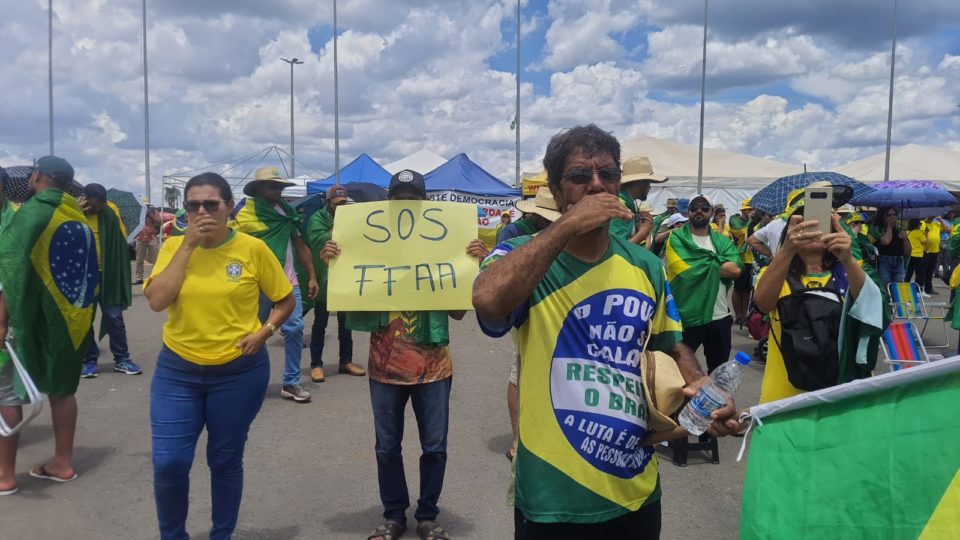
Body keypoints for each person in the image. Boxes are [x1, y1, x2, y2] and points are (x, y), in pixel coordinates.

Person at [472, 125, 739, 539]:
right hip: (553, 496)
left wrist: (701, 385)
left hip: (635, 489)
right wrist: (565, 227)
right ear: (556, 191)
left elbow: (670, 344)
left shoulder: (645, 265)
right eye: (580, 176)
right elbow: (487, 300)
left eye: (608, 175)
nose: (597, 185)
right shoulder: (525, 257)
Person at [320, 170, 489, 540]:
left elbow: (459, 311)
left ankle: (427, 516)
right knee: (386, 448)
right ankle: (394, 515)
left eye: (413, 200)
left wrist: (472, 265)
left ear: (425, 205)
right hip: (384, 369)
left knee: (435, 448)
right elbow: (345, 296)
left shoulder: (443, 248)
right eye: (399, 200)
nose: (406, 206)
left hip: (434, 369)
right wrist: (333, 260)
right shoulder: (372, 247)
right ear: (388, 204)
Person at [144, 172, 295, 539]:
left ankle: (221, 534)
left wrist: (264, 332)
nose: (202, 212)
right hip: (178, 372)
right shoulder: (173, 247)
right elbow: (157, 301)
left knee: (225, 460)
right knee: (169, 463)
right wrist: (187, 246)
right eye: (193, 205)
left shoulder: (252, 249)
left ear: (229, 207)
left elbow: (284, 300)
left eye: (211, 204)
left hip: (238, 374)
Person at [0, 156, 98, 493]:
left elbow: (11, 269)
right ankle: (62, 462)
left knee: (5, 392)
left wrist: (3, 319)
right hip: (74, 316)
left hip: (38, 313)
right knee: (63, 389)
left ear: (37, 176)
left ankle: (4, 476)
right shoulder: (76, 214)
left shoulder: (33, 213)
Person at [754, 211, 883, 404]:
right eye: (803, 225)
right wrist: (786, 251)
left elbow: (871, 310)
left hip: (843, 394)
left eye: (821, 224)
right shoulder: (775, 272)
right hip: (784, 398)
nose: (812, 230)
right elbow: (763, 304)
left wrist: (848, 258)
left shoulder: (852, 270)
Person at [233, 166, 319, 403]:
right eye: (273, 186)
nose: (278, 190)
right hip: (256, 283)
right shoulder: (245, 210)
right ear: (259, 188)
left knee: (295, 329)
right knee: (251, 332)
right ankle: (243, 381)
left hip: (288, 282)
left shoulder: (288, 211)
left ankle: (291, 382)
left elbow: (300, 244)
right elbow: (229, 244)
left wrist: (312, 276)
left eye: (280, 186)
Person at [502, 190, 560, 461]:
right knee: (520, 369)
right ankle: (518, 439)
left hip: (558, 309)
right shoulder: (515, 233)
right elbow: (501, 269)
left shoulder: (564, 235)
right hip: (528, 309)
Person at [664, 195, 742, 374]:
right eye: (694, 207)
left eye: (704, 207)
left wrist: (702, 262)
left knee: (718, 374)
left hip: (720, 316)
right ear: (688, 211)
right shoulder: (676, 238)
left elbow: (736, 269)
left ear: (712, 212)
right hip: (688, 316)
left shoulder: (722, 240)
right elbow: (686, 271)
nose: (699, 210)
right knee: (680, 372)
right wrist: (718, 261)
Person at [78, 183, 141, 378]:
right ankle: (89, 360)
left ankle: (122, 359)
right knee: (83, 320)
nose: (97, 209)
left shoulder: (111, 211)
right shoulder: (71, 211)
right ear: (84, 198)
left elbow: (120, 241)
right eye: (93, 206)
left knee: (115, 317)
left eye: (100, 206)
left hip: (108, 274)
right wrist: (76, 213)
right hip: (83, 276)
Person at [305, 184, 365, 383]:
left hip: (344, 278)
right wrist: (340, 229)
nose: (340, 207)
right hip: (325, 279)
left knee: (346, 325)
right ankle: (316, 364)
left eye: (343, 203)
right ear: (328, 202)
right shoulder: (317, 218)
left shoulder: (349, 217)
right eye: (336, 203)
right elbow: (316, 239)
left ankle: (345, 361)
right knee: (320, 323)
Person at [608, 156, 668, 244]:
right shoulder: (621, 208)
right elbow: (616, 248)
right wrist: (643, 233)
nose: (650, 187)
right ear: (641, 183)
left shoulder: (623, 203)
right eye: (648, 183)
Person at [868, 207, 908, 287]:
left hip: (899, 261)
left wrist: (905, 239)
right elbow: (886, 241)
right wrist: (889, 226)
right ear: (883, 216)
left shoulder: (900, 229)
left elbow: (908, 252)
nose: (892, 217)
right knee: (885, 287)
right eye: (889, 215)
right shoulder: (876, 229)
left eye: (894, 214)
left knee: (898, 289)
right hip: (884, 262)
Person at [729, 199, 754, 325]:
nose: (751, 212)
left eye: (752, 210)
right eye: (749, 210)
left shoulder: (753, 222)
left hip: (751, 259)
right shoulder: (735, 221)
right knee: (738, 288)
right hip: (740, 258)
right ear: (743, 210)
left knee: (747, 289)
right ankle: (738, 315)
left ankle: (745, 315)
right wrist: (751, 220)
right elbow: (744, 232)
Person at [921, 215, 951, 294]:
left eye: (933, 216)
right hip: (925, 251)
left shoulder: (936, 224)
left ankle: (928, 288)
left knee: (930, 271)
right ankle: (921, 288)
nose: (931, 218)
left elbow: (946, 230)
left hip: (934, 251)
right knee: (923, 271)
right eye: (930, 216)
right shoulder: (922, 223)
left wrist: (941, 220)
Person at [134, 205, 162, 284]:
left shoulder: (154, 212)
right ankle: (139, 278)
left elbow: (160, 223)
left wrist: (151, 216)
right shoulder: (138, 212)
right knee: (139, 259)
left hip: (152, 237)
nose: (146, 207)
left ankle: (154, 277)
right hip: (140, 237)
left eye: (147, 206)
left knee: (155, 258)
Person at [904, 218, 927, 292]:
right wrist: (926, 233)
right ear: (917, 225)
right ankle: (918, 289)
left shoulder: (908, 232)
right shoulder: (918, 232)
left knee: (909, 272)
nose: (921, 225)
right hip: (918, 254)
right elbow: (926, 242)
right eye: (920, 224)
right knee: (919, 273)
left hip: (911, 254)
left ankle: (905, 287)